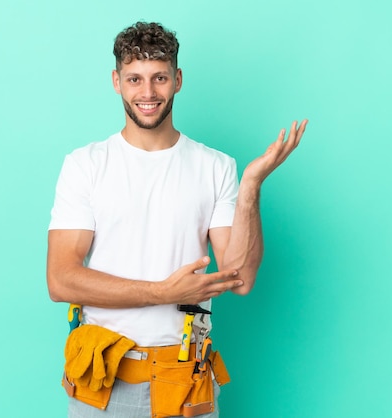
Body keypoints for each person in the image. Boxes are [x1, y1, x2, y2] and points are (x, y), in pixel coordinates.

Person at [47, 21, 307, 418]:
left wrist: (251, 184)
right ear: (116, 81)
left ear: (178, 80)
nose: (147, 93)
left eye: (159, 78)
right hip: (102, 381)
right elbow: (60, 279)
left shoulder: (216, 166)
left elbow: (240, 276)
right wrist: (162, 293)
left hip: (184, 382)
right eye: (135, 79)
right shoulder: (85, 165)